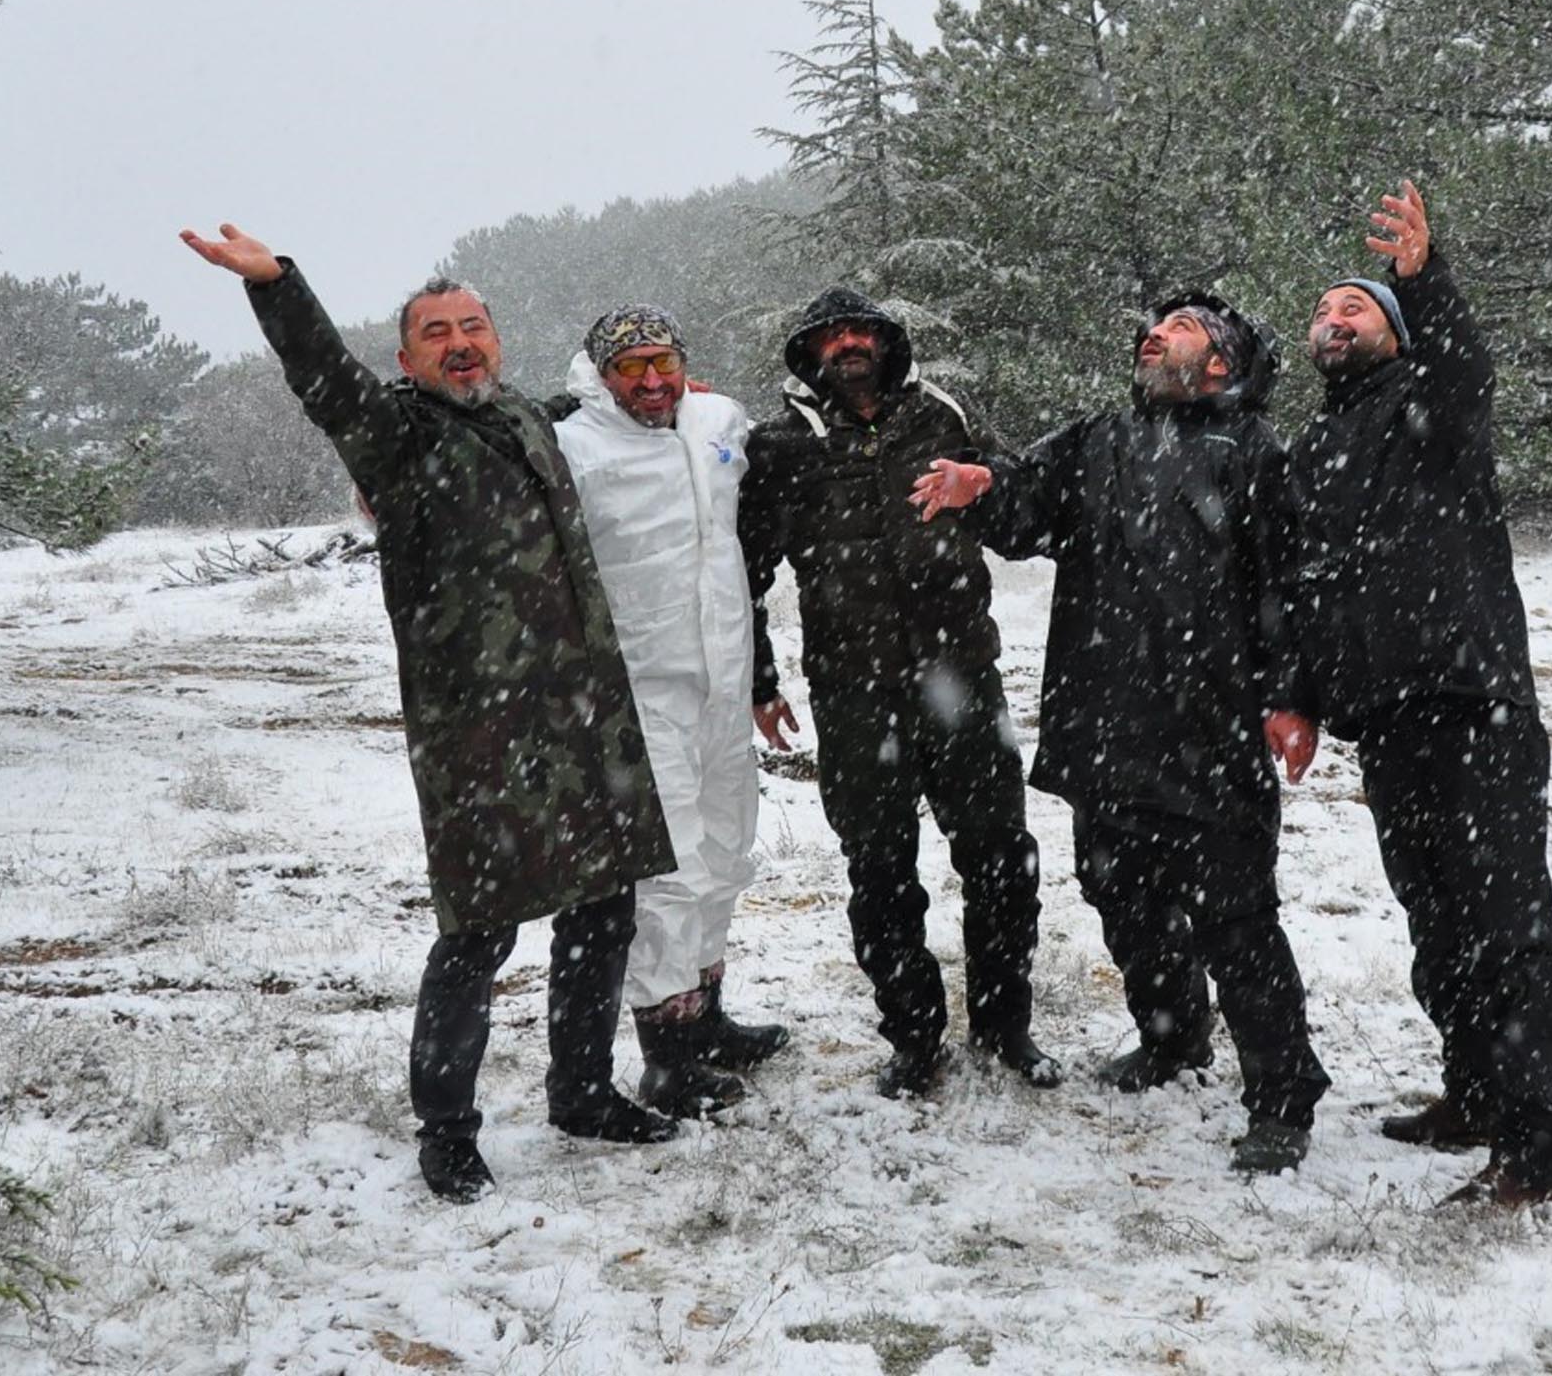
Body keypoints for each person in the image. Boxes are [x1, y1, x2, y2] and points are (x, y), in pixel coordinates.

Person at [180, 225, 680, 1203]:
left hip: (584, 720)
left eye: (474, 327)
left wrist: (676, 394)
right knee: (478, 931)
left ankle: (582, 1091)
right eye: (436, 333)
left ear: (498, 340)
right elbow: (326, 381)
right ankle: (447, 1128)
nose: (460, 343)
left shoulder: (533, 418)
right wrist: (281, 286)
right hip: (479, 735)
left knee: (603, 906)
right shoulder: (399, 434)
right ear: (407, 359)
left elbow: (611, 413)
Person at [912, 292, 1329, 1175]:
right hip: (1105, 721)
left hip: (1211, 727)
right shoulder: (1099, 439)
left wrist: (1291, 694)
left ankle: (1284, 1094)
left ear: (1221, 362)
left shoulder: (1254, 451)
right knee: (1120, 895)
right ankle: (1173, 1036)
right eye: (1154, 324)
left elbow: (1290, 584)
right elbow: (1028, 513)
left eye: (1180, 327)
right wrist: (983, 485)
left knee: (1237, 921)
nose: (1154, 333)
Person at [1273, 181, 1552, 1208]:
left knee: (1506, 924)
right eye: (1324, 308)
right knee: (1437, 924)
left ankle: (1536, 1147)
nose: (1335, 316)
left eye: (1357, 305)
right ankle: (1475, 1092)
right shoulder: (1314, 451)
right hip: (1391, 723)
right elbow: (1301, 589)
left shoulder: (1432, 413)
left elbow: (1464, 369)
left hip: (1472, 703)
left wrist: (1429, 281)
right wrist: (1302, 697)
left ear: (1400, 335)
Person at [736, 289, 1057, 1101]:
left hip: (963, 678)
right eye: (831, 336)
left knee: (1001, 858)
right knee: (879, 872)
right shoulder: (780, 445)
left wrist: (984, 481)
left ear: (888, 342)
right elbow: (743, 568)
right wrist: (760, 676)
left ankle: (1003, 1025)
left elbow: (1016, 503)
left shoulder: (942, 412)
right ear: (809, 353)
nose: (848, 344)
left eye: (862, 332)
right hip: (853, 693)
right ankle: (913, 1038)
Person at [549, 306, 786, 1118]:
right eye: (630, 367)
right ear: (599, 374)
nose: (651, 381)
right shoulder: (575, 444)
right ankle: (668, 1056)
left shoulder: (718, 420)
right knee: (670, 872)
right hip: (641, 689)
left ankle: (709, 1016)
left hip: (721, 680)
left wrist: (758, 678)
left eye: (663, 361)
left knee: (725, 851)